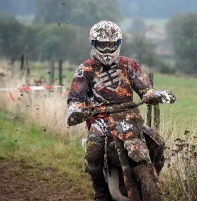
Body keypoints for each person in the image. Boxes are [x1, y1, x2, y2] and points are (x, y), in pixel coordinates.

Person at [67, 21, 176, 201]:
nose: (108, 49)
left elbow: (145, 88)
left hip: (128, 116)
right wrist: (76, 109)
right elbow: (75, 98)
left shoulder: (129, 65)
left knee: (158, 142)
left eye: (111, 44)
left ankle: (151, 179)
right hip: (100, 117)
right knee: (94, 148)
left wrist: (155, 95)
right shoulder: (85, 69)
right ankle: (100, 189)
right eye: (103, 44)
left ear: (118, 43)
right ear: (94, 44)